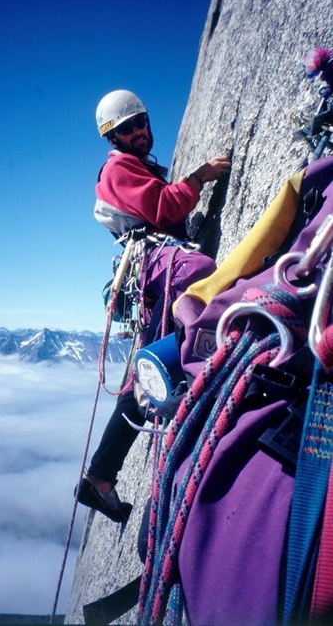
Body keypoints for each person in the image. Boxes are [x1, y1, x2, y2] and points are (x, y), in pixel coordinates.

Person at [76, 89, 231, 522]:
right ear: (114, 137)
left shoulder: (135, 166)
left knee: (141, 381)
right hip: (156, 262)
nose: (139, 131)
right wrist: (198, 177)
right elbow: (163, 210)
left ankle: (101, 477)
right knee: (200, 272)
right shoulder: (118, 168)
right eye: (127, 128)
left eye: (141, 120)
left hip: (149, 276)